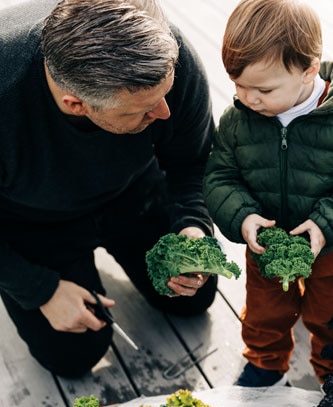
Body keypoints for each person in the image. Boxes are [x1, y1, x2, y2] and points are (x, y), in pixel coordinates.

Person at [0, 0, 217, 377]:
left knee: (192, 300)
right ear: (76, 104)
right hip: (30, 220)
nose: (164, 113)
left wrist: (193, 225)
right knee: (73, 355)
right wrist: (41, 289)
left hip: (133, 190)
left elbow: (194, 160)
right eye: (144, 110)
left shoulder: (164, 54)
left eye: (165, 94)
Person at [203, 0, 333, 387]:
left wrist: (325, 224)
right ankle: (264, 364)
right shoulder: (238, 121)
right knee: (264, 313)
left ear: (309, 71)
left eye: (263, 89)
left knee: (328, 316)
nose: (247, 98)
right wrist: (242, 217)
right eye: (238, 85)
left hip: (330, 249)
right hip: (266, 246)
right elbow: (219, 177)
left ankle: (329, 374)